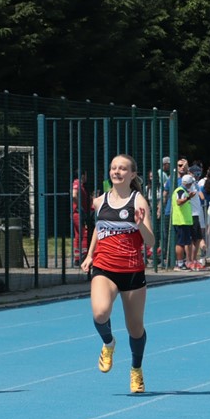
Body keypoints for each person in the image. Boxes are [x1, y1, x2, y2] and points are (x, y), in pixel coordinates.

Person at [79, 155, 155, 394]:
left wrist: (140, 225)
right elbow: (99, 228)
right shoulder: (99, 201)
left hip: (132, 271)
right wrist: (90, 254)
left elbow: (151, 241)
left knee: (135, 328)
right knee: (100, 312)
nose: (117, 172)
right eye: (113, 168)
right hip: (104, 267)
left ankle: (136, 369)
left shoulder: (138, 201)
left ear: (132, 174)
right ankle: (108, 343)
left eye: (122, 168)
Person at [170, 173, 195, 270]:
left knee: (183, 242)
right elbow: (178, 202)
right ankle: (179, 264)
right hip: (181, 221)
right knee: (180, 243)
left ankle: (181, 262)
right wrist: (188, 198)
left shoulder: (184, 191)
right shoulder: (180, 191)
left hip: (184, 221)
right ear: (189, 183)